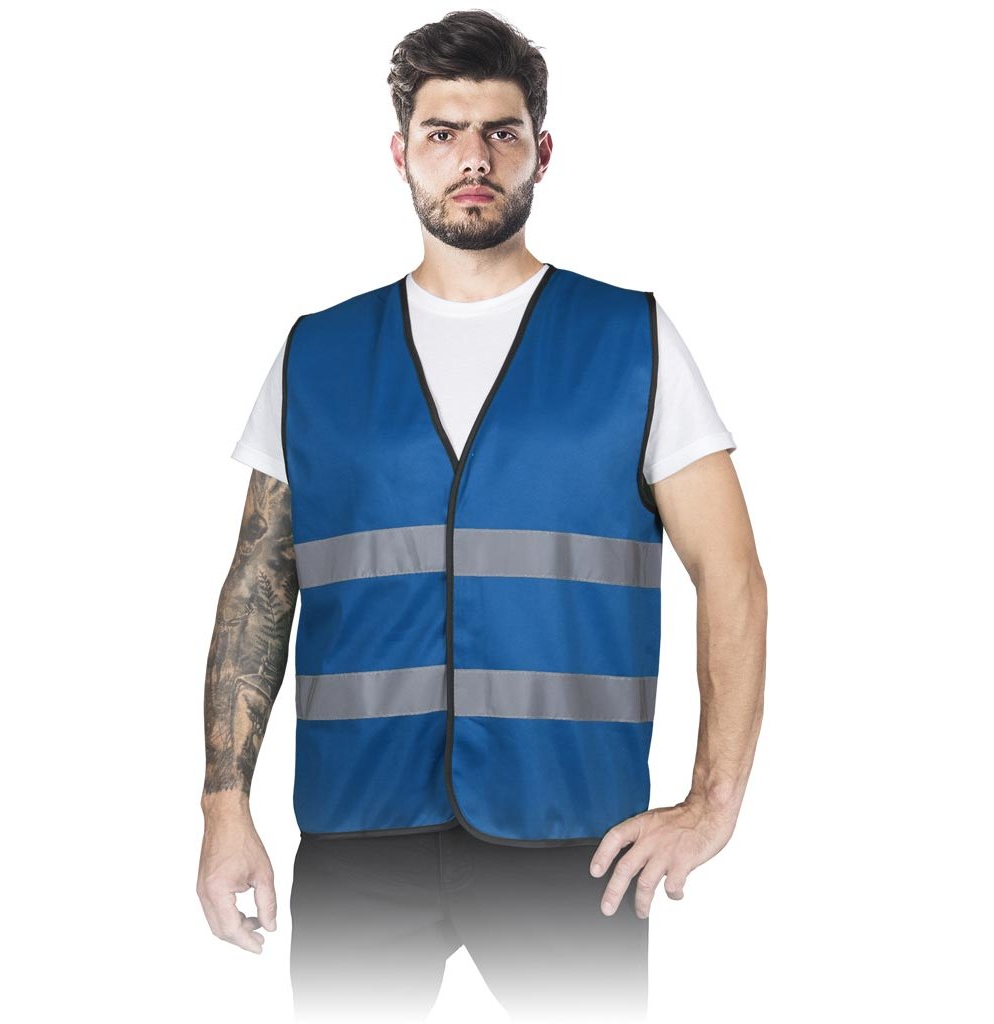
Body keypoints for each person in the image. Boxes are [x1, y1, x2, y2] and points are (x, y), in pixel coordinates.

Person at [196, 10, 767, 1022]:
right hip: (358, 827)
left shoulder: (630, 337)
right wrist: (223, 806)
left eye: (501, 132)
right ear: (401, 154)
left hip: (577, 837)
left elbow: (732, 576)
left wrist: (713, 806)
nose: (473, 158)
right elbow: (257, 587)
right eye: (443, 132)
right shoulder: (316, 354)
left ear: (541, 151)